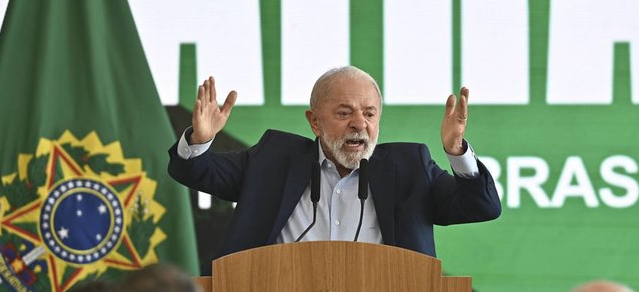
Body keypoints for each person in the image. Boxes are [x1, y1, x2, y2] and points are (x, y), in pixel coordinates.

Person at [167, 66, 501, 262]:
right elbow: (194, 170)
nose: (360, 124)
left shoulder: (409, 167)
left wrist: (457, 151)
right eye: (344, 113)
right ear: (314, 122)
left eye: (369, 113)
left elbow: (482, 206)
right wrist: (200, 139)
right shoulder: (273, 159)